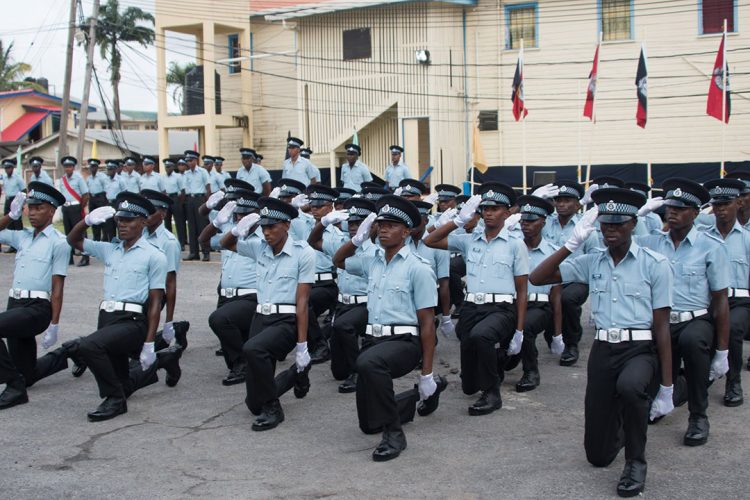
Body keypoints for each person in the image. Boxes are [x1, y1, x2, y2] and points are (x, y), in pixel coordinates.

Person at [529, 187, 674, 498]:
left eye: (618, 224)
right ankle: (623, 427)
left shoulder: (655, 263)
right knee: (597, 456)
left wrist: (666, 385)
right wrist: (572, 243)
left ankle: (636, 462)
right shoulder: (592, 261)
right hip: (604, 349)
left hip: (640, 348)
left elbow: (662, 326)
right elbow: (538, 278)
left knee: (631, 387)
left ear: (633, 224)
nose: (611, 230)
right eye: (606, 224)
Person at [333, 195, 445, 461]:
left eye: (391, 225)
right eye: (380, 224)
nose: (383, 229)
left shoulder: (418, 268)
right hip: (375, 340)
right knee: (368, 424)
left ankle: (394, 434)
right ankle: (414, 399)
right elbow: (338, 261)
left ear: (406, 232)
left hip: (405, 342)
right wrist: (357, 240)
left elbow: (428, 323)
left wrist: (426, 373)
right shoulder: (372, 261)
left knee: (368, 363)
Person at [635, 178, 729, 447]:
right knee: (653, 366)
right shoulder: (652, 242)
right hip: (660, 323)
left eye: (681, 208)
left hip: (694, 320)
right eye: (669, 207)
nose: (672, 212)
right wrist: (638, 213)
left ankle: (698, 416)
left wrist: (722, 351)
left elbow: (720, 299)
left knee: (692, 343)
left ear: (696, 212)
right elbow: (616, 237)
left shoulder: (711, 246)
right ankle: (664, 398)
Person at [424, 182, 527, 416]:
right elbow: (429, 241)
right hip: (472, 306)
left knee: (483, 336)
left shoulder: (515, 244)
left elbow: (522, 290)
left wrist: (520, 331)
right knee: (469, 384)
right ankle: (496, 360)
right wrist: (458, 221)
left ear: (508, 211)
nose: (489, 213)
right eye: (486, 208)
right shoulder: (470, 240)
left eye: (496, 208)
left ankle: (493, 393)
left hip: (502, 308)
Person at [66, 192, 167, 421]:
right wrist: (87, 221)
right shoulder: (110, 249)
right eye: (119, 220)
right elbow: (73, 240)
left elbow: (155, 303)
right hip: (107, 318)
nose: (122, 225)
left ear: (142, 223)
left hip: (132, 322)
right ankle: (161, 365)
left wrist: (149, 343)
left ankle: (115, 400)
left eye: (129, 220)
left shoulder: (154, 256)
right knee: (123, 381)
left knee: (90, 346)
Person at [220, 197, 315, 431]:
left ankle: (273, 408)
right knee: (253, 403)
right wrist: (235, 229)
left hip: (286, 321)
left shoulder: (304, 253)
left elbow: (302, 302)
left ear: (287, 226)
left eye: (272, 226)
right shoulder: (258, 248)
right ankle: (295, 376)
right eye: (263, 227)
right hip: (260, 319)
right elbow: (225, 243)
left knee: (253, 349)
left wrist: (302, 346)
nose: (266, 232)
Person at [0, 183, 70, 409]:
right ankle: (68, 353)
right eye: (29, 207)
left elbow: (58, 286)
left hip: (36, 308)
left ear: (51, 211)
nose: (31, 212)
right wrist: (10, 215)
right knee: (27, 373)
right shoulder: (23, 237)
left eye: (38, 207)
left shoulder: (59, 242)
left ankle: (14, 387)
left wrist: (54, 324)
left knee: (19, 379)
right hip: (15, 304)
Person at [308, 197, 376, 393]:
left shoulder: (377, 251)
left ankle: (359, 373)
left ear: (371, 226)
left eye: (359, 223)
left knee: (342, 326)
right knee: (338, 372)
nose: (354, 227)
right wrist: (323, 223)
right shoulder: (340, 242)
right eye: (352, 223)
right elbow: (312, 241)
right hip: (343, 304)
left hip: (366, 305)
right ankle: (352, 365)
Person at [697, 178, 750, 407]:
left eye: (726, 204)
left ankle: (733, 381)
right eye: (717, 205)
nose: (721, 209)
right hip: (711, 299)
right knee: (697, 334)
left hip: (740, 300)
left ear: (738, 203)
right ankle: (692, 382)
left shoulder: (747, 238)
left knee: (734, 328)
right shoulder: (703, 237)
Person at [202, 189, 262, 386]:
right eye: (238, 213)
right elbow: (203, 240)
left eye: (245, 214)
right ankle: (245, 359)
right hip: (228, 296)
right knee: (234, 330)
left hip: (251, 296)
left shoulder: (263, 238)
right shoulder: (231, 233)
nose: (240, 217)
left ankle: (241, 364)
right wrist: (218, 223)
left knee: (219, 319)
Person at [507, 195, 563, 392]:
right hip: (514, 303)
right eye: (523, 220)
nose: (526, 225)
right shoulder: (512, 246)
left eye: (532, 221)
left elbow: (556, 296)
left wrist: (557, 333)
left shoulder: (552, 253)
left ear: (543, 222)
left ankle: (531, 371)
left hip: (540, 305)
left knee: (527, 328)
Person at [542, 179, 586, 366]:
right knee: (548, 311)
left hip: (576, 278)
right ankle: (554, 332)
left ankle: (571, 344)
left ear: (577, 205)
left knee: (567, 300)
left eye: (567, 200)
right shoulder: (545, 223)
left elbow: (595, 254)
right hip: (549, 278)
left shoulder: (584, 225)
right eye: (558, 200)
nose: (561, 204)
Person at [140, 189, 185, 355]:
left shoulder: (169, 242)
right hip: (136, 290)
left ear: (163, 213)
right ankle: (180, 330)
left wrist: (168, 321)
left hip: (154, 295)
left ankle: (174, 332)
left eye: (151, 211)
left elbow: (170, 283)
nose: (147, 215)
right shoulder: (139, 234)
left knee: (139, 341)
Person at [56, 156, 89, 267]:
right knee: (68, 233)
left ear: (73, 167)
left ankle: (85, 257)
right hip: (66, 208)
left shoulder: (79, 178)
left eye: (70, 166)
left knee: (80, 232)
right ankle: (69, 257)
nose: (68, 168)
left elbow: (85, 194)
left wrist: (80, 208)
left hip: (76, 208)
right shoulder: (62, 179)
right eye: (66, 166)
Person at [182, 149, 212, 261]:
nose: (189, 163)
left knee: (202, 226)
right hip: (190, 200)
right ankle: (193, 252)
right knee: (191, 227)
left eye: (191, 160)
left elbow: (208, 188)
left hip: (200, 199)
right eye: (187, 161)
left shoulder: (203, 172)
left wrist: (207, 204)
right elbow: (185, 189)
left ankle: (206, 252)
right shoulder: (186, 173)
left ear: (196, 160)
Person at [1, 159, 26, 250]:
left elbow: (24, 190)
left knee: (17, 223)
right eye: (6, 168)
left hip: (15, 200)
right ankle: (12, 245)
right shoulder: (4, 177)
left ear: (13, 168)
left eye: (9, 168)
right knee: (8, 222)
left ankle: (20, 243)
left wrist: (23, 203)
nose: (8, 170)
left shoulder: (17, 178)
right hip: (8, 200)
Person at [163, 158, 186, 247]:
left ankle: (182, 243)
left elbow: (183, 191)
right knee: (167, 222)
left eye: (169, 167)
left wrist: (180, 203)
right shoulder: (163, 177)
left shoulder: (178, 177)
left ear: (173, 167)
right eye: (166, 167)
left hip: (175, 198)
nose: (167, 168)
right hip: (166, 198)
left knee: (179, 222)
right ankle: (169, 243)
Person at [85, 159, 109, 243]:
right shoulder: (88, 178)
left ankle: (105, 238)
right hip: (92, 199)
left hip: (101, 198)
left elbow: (106, 189)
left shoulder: (102, 177)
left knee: (102, 219)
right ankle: (96, 238)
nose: (93, 168)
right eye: (91, 166)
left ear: (97, 167)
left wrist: (105, 200)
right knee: (93, 218)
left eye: (94, 166)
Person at [102, 160, 126, 242]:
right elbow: (105, 192)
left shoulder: (121, 180)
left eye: (111, 169)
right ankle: (112, 245)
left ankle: (122, 245)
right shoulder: (106, 180)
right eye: (108, 169)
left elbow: (124, 194)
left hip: (118, 204)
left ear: (115, 169)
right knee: (109, 227)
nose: (109, 171)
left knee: (119, 226)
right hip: (109, 203)